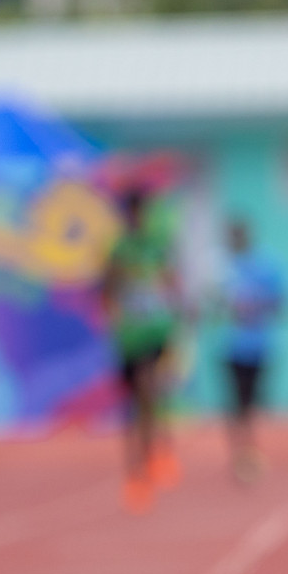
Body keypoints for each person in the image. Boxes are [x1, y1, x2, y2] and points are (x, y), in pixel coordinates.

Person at [101, 185, 182, 513]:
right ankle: (137, 468)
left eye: (142, 212)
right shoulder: (119, 251)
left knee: (152, 391)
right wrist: (114, 316)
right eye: (133, 212)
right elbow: (107, 287)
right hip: (130, 335)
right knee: (136, 404)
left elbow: (170, 282)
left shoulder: (157, 248)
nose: (137, 218)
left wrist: (176, 313)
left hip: (156, 331)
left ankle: (157, 454)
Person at [219, 219, 285, 483]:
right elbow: (208, 303)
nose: (234, 240)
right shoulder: (220, 267)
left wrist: (256, 305)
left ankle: (250, 449)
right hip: (229, 346)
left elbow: (284, 302)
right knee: (236, 402)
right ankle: (242, 455)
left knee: (254, 402)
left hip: (260, 345)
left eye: (238, 234)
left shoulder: (267, 265)